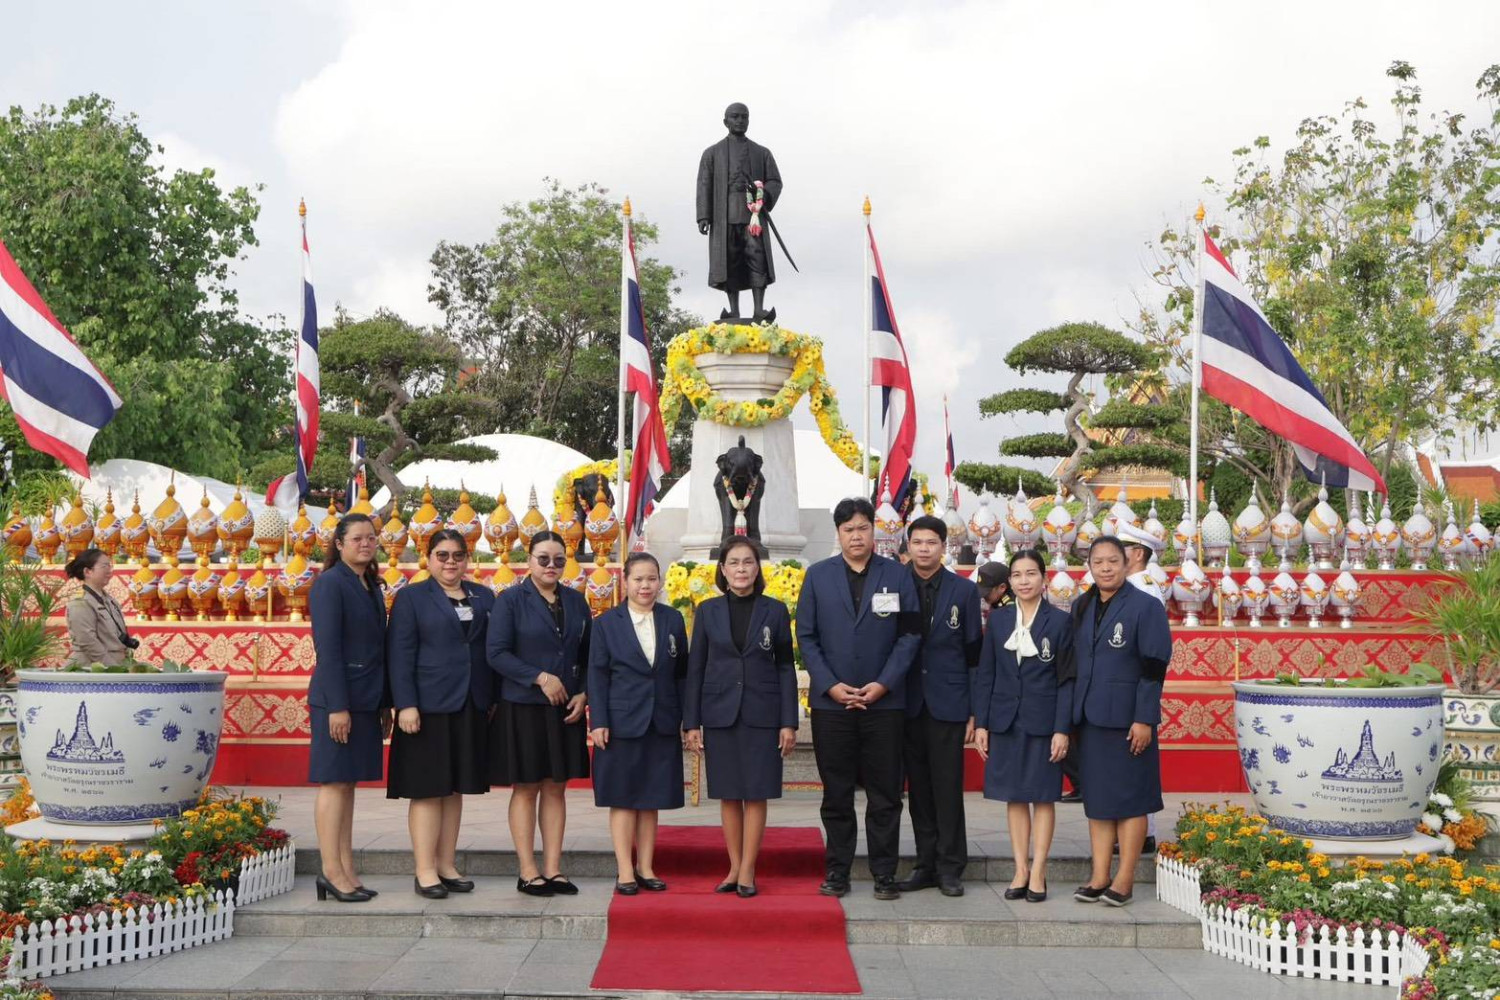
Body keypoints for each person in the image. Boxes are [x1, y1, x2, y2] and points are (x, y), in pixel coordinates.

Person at [796, 497, 921, 900]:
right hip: (832, 704)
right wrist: (830, 684)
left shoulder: (898, 576)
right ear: (838, 533)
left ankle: (884, 873)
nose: (856, 535)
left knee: (885, 794)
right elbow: (807, 638)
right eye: (848, 529)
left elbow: (910, 635)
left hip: (884, 704)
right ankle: (838, 871)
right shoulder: (817, 576)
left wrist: (883, 684)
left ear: (874, 530)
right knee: (836, 794)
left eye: (863, 527)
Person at [683, 537, 798, 898]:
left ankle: (748, 869)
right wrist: (691, 723)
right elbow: (696, 668)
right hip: (720, 713)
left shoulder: (775, 610)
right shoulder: (707, 611)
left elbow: (785, 669)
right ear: (722, 569)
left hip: (762, 714)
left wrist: (788, 721)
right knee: (729, 794)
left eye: (748, 562)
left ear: (757, 568)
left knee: (757, 793)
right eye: (733, 563)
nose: (741, 569)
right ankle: (733, 866)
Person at [386, 529, 495, 898]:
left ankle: (447, 864)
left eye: (458, 555)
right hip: (426, 706)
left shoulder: (484, 596)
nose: (451, 562)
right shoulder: (412, 598)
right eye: (443, 555)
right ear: (429, 558)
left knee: (455, 789)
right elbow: (400, 654)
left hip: (470, 703)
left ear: (467, 559)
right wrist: (406, 704)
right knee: (428, 790)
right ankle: (425, 870)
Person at [1070, 536, 1173, 907]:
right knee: (1098, 801)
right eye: (1098, 562)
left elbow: (1154, 667)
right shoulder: (1081, 606)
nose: (1106, 568)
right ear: (1090, 566)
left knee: (1131, 801)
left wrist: (1144, 718)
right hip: (1090, 717)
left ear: (1127, 563)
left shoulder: (1145, 607)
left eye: (1113, 561)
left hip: (1129, 720)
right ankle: (1099, 875)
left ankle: (1125, 879)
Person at [488, 531, 591, 897]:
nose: (551, 566)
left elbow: (589, 655)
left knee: (556, 787)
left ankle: (553, 868)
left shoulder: (577, 602)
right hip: (524, 705)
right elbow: (496, 653)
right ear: (528, 560)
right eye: (543, 559)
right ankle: (528, 870)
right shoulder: (511, 601)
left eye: (558, 560)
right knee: (527, 787)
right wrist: (539, 677)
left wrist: (584, 692)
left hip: (565, 708)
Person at [972, 550, 1075, 903]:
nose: (1024, 580)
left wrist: (1062, 729)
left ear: (1043, 579)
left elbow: (1066, 682)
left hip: (1044, 723)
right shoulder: (998, 622)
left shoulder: (1060, 623)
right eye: (1017, 575)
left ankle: (1040, 870)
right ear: (1009, 583)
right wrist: (982, 723)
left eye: (1031, 573)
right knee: (1014, 797)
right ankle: (1020, 869)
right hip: (1004, 721)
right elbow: (986, 673)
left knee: (1043, 797)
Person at [588, 553, 690, 895]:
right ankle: (624, 870)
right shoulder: (605, 624)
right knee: (623, 797)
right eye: (638, 579)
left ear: (659, 581)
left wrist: (686, 720)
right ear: (626, 581)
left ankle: (646, 866)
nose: (645, 586)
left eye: (651, 579)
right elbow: (597, 676)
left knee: (652, 797)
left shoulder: (673, 620)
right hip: (621, 722)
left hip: (661, 720)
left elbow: (681, 675)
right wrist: (598, 720)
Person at [896, 516, 981, 898]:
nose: (925, 548)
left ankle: (950, 867)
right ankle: (924, 864)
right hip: (906, 701)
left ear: (943, 547)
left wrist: (974, 710)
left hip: (949, 702)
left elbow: (974, 655)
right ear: (908, 545)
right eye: (918, 542)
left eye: (932, 542)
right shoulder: (895, 586)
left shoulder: (964, 592)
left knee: (947, 788)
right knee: (919, 791)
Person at [307, 513, 389, 903]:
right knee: (334, 781)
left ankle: (346, 867)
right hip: (336, 700)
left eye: (370, 538)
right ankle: (330, 870)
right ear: (339, 544)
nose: (365, 544)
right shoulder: (330, 584)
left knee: (349, 783)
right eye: (356, 538)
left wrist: (383, 703)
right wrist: (337, 706)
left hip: (366, 698)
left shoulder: (370, 584)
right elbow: (329, 650)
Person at [696, 102, 784, 321]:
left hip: (753, 217)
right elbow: (704, 184)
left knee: (757, 259)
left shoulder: (761, 153)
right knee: (730, 260)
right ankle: (733, 309)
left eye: (744, 117)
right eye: (735, 117)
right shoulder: (712, 153)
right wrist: (704, 215)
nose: (740, 120)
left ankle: (758, 309)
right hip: (724, 215)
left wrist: (764, 195)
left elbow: (775, 181)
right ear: (726, 122)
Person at [1116, 520, 1166, 852]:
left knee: (1133, 762)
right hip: (1128, 686)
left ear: (1136, 554)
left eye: (1119, 551)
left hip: (1133, 686)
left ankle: (1140, 834)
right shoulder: (1139, 584)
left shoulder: (1141, 589)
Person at [64, 548, 136, 667]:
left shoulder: (110, 601)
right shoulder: (80, 603)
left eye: (110, 566)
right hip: (93, 670)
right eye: (104, 566)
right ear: (87, 572)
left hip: (114, 666)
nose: (109, 571)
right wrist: (112, 669)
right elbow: (87, 642)